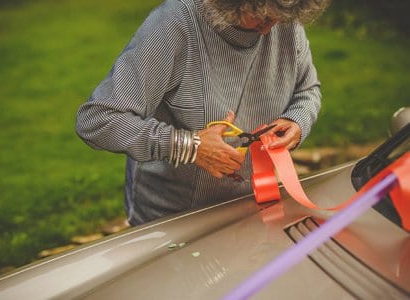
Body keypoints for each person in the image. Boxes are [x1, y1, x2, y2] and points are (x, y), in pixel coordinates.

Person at [75, 0, 328, 226]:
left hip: (251, 206)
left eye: (276, 19)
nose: (268, 29)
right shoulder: (174, 24)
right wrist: (190, 146)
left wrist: (297, 120)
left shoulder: (284, 17)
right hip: (171, 218)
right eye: (261, 16)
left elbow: (307, 90)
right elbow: (98, 120)